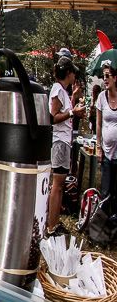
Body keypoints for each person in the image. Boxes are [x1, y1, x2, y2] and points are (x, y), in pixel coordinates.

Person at [47, 58, 85, 235]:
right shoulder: (57, 89)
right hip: (59, 142)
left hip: (63, 142)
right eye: (73, 72)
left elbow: (64, 110)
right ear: (68, 73)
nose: (75, 75)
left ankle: (54, 222)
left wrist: (74, 98)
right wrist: (72, 112)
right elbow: (53, 117)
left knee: (59, 185)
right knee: (58, 185)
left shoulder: (62, 90)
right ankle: (51, 226)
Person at [96, 65, 117, 211]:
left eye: (107, 75)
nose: (105, 79)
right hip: (107, 152)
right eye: (104, 76)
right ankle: (101, 221)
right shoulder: (101, 97)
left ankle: (114, 221)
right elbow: (98, 124)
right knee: (105, 191)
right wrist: (98, 147)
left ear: (115, 78)